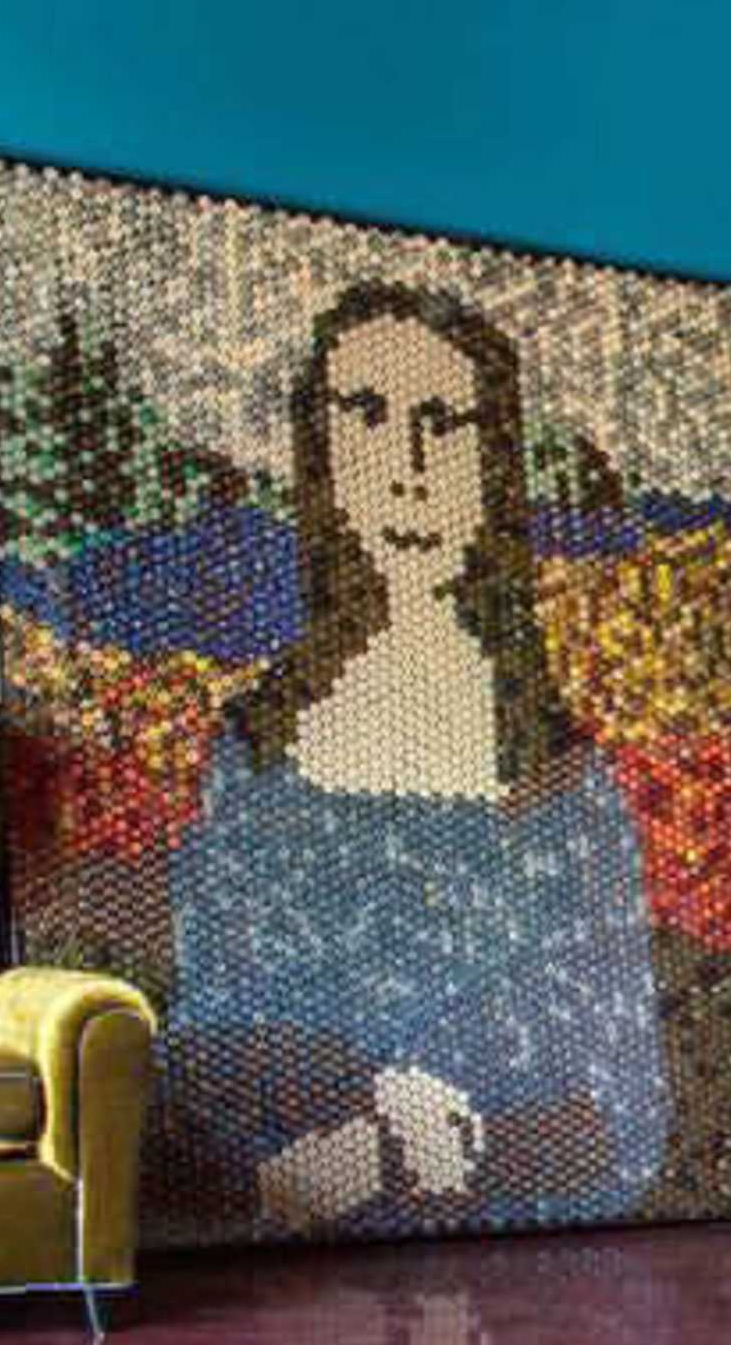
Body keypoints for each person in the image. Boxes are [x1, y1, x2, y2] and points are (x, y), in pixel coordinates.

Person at [163, 281, 669, 1235]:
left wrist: (399, 1155)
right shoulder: (256, 748)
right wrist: (370, 1105)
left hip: (523, 1258)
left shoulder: (564, 775)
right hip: (284, 1243)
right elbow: (205, 1042)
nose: (409, 468)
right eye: (368, 414)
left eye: (445, 424)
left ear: (492, 462)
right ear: (322, 451)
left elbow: (622, 1111)